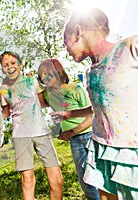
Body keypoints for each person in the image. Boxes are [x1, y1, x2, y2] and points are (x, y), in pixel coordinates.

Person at [51, 8, 138, 199]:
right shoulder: (91, 72)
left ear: (78, 32)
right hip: (102, 149)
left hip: (131, 151)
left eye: (65, 42)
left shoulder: (130, 47)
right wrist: (70, 114)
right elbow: (101, 107)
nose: (65, 49)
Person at [0, 51, 63, 200]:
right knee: (27, 180)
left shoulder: (32, 80)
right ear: (2, 69)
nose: (10, 67)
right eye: (5, 65)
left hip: (41, 132)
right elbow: (5, 112)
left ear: (20, 64)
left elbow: (42, 102)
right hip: (21, 136)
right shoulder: (3, 88)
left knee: (57, 179)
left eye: (13, 63)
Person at [37, 58, 100, 200]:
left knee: (98, 174)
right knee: (85, 178)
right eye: (42, 75)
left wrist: (70, 132)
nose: (45, 77)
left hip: (91, 135)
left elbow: (92, 115)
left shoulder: (75, 89)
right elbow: (37, 101)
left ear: (58, 72)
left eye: (48, 72)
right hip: (75, 142)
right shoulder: (48, 94)